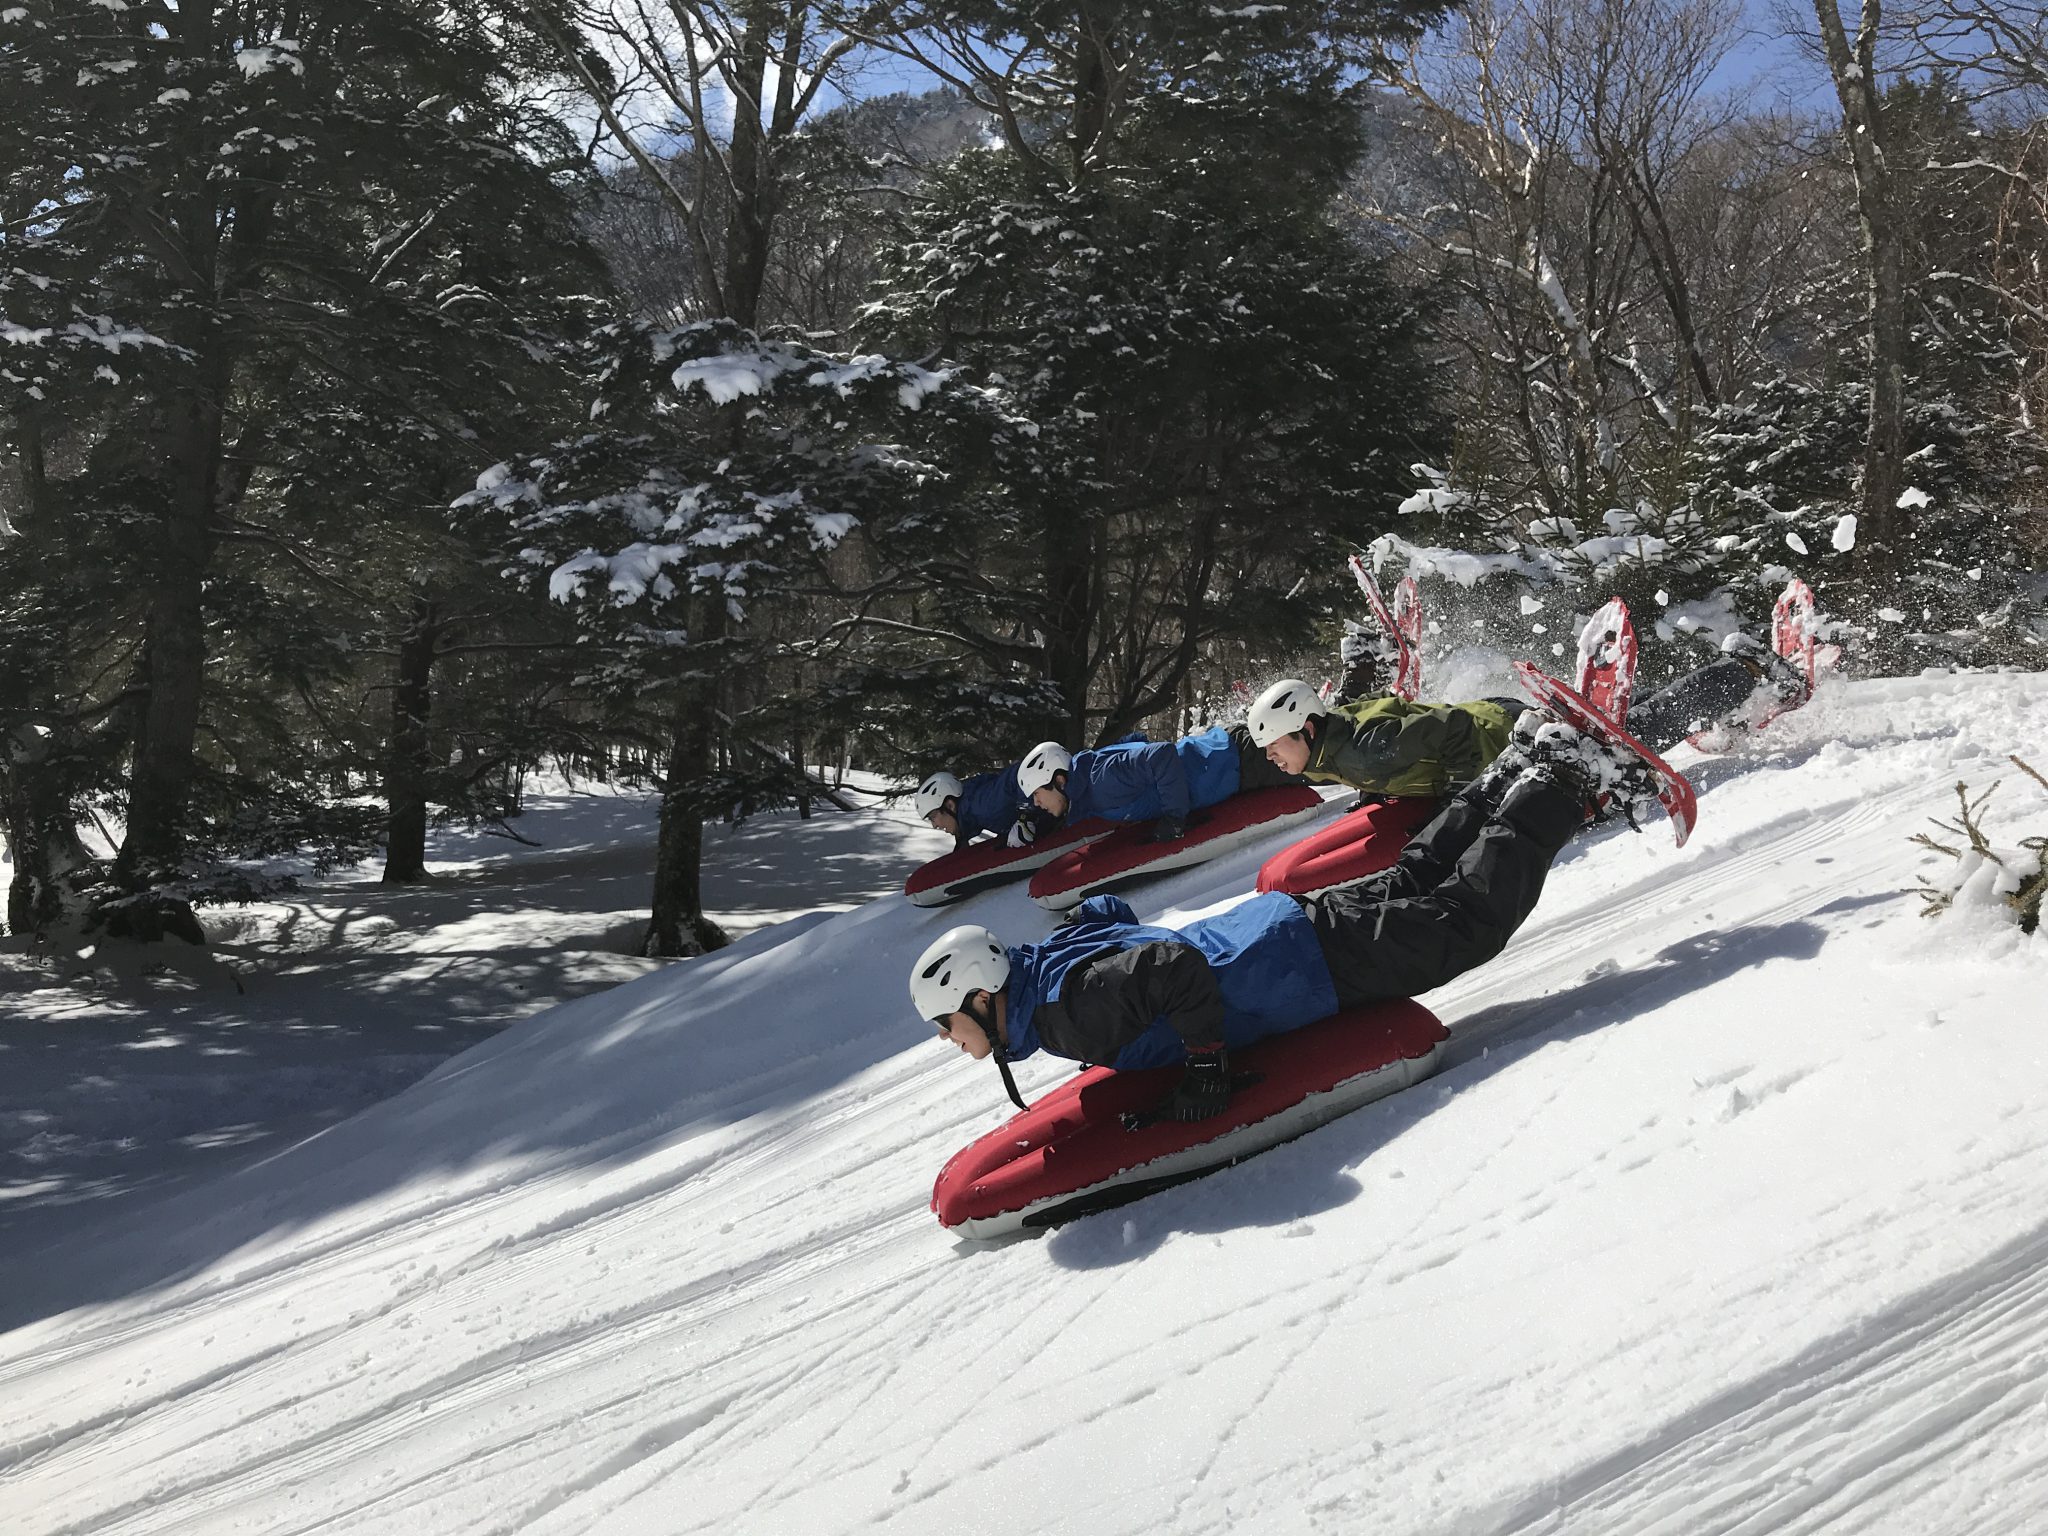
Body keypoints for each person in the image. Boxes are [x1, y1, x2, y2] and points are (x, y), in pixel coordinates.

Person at [909, 711, 1659, 1122]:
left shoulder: (1070, 1016)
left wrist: (1204, 1062)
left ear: (980, 996)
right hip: (1278, 928)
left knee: (1466, 920)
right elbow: (1107, 912)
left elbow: (1170, 968)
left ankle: (1559, 778)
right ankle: (1516, 769)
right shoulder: (1046, 973)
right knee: (1421, 874)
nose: (950, 1039)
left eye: (948, 1023)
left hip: (1298, 969)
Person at [1011, 722, 1304, 848]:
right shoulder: (1088, 784)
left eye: (1038, 794)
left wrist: (1175, 817)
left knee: (1318, 766)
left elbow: (1160, 754)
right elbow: (1135, 741)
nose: (1037, 803)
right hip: (1230, 764)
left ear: (1059, 781)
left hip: (1236, 759)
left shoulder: (1100, 781)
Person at [912, 766, 1024, 848]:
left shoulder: (983, 805)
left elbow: (1020, 774)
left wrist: (1027, 815)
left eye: (933, 816)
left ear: (950, 806)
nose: (934, 825)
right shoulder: (972, 811)